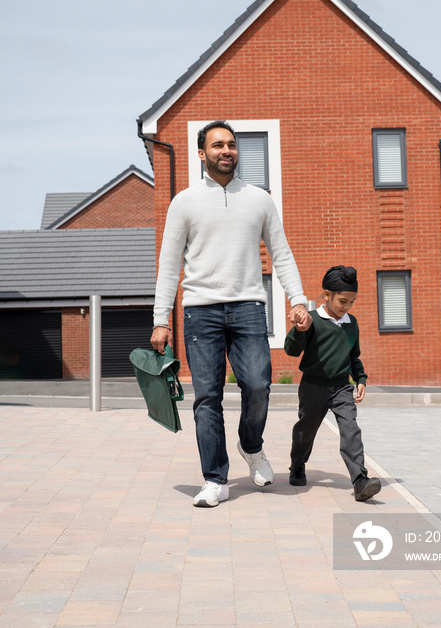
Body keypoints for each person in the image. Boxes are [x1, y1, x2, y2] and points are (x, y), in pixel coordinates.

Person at [151, 120, 309, 508]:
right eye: (217, 145)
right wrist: (160, 319)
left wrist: (298, 299)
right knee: (207, 397)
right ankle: (215, 479)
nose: (226, 150)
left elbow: (282, 253)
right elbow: (169, 265)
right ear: (202, 154)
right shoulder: (184, 202)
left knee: (258, 384)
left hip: (248, 308)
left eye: (232, 145)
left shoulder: (259, 199)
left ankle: (251, 446)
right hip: (200, 313)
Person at [284, 265, 381, 502]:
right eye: (342, 301)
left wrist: (360, 379)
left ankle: (360, 481)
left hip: (341, 387)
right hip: (312, 387)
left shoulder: (351, 323)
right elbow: (291, 350)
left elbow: (353, 356)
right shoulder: (312, 320)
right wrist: (299, 329)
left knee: (351, 429)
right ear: (326, 295)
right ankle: (297, 466)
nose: (346, 307)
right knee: (306, 431)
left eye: (351, 302)